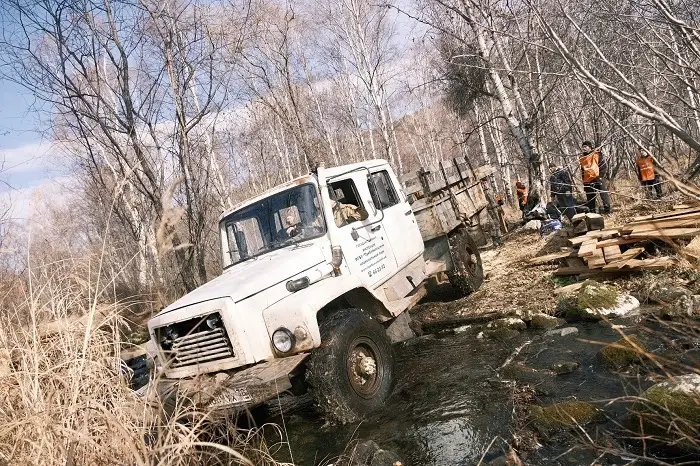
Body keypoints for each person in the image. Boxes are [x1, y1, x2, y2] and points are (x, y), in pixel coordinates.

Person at [578, 141, 612, 215]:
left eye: (585, 146)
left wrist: (600, 177)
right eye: (583, 147)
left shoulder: (597, 154)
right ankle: (593, 213)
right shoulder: (582, 158)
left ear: (590, 147)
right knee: (590, 198)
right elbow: (583, 170)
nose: (584, 148)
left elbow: (603, 166)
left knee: (604, 195)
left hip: (597, 177)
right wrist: (584, 181)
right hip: (587, 180)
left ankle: (608, 211)